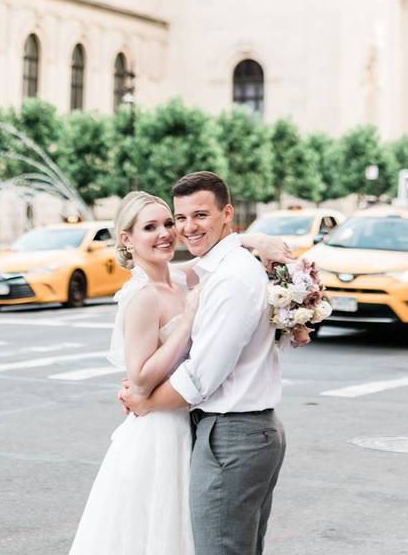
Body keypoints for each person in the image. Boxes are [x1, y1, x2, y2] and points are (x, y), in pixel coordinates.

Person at [68, 189, 291, 554]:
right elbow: (140, 378)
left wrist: (257, 240)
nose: (166, 233)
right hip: (158, 431)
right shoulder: (141, 296)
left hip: (189, 422)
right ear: (127, 239)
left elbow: (219, 247)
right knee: (158, 532)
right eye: (150, 227)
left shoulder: (179, 279)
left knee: (197, 533)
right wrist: (187, 321)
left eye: (169, 223)